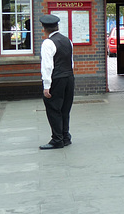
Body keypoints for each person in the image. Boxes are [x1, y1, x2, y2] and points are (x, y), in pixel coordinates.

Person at [39, 14, 75, 149]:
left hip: (57, 79)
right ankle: (66, 137)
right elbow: (71, 62)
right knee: (65, 109)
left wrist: (46, 86)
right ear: (57, 26)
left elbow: (47, 66)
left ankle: (57, 139)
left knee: (54, 109)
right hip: (69, 77)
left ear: (44, 28)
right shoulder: (67, 41)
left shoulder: (48, 43)